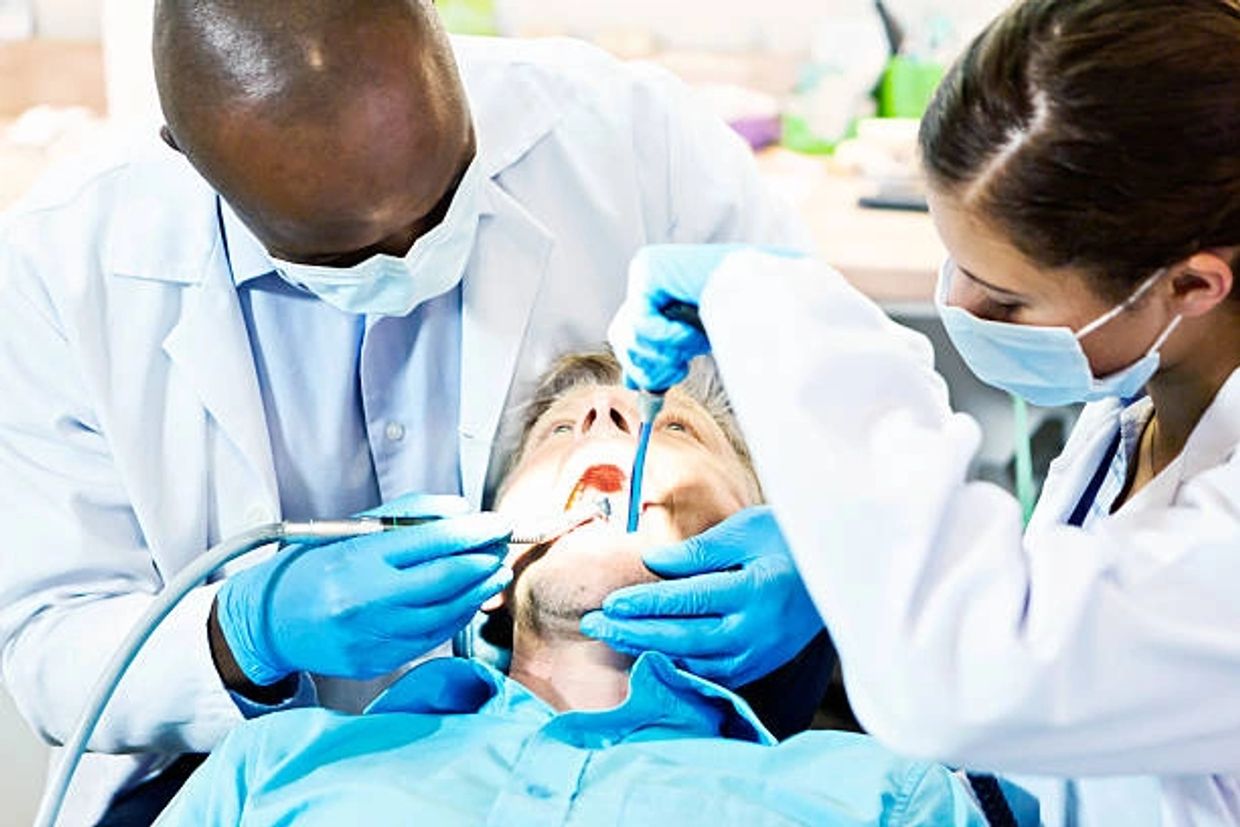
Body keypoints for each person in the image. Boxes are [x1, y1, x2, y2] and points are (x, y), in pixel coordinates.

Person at [0, 1, 821, 822]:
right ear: (188, 156)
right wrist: (249, 630)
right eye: (341, 251)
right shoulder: (61, 270)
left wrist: (824, 554)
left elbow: (859, 414)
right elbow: (48, 645)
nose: (411, 255)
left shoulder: (631, 141)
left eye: (442, 198)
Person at [603, 1, 1240, 825]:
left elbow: (971, 675)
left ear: (1190, 287)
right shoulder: (1140, 393)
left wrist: (770, 310)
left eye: (1007, 300)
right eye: (954, 257)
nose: (960, 303)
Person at [152, 351, 985, 826]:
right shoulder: (268, 768)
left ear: (759, 538)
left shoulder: (888, 798)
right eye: (558, 429)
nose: (606, 421)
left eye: (677, 427)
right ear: (487, 573)